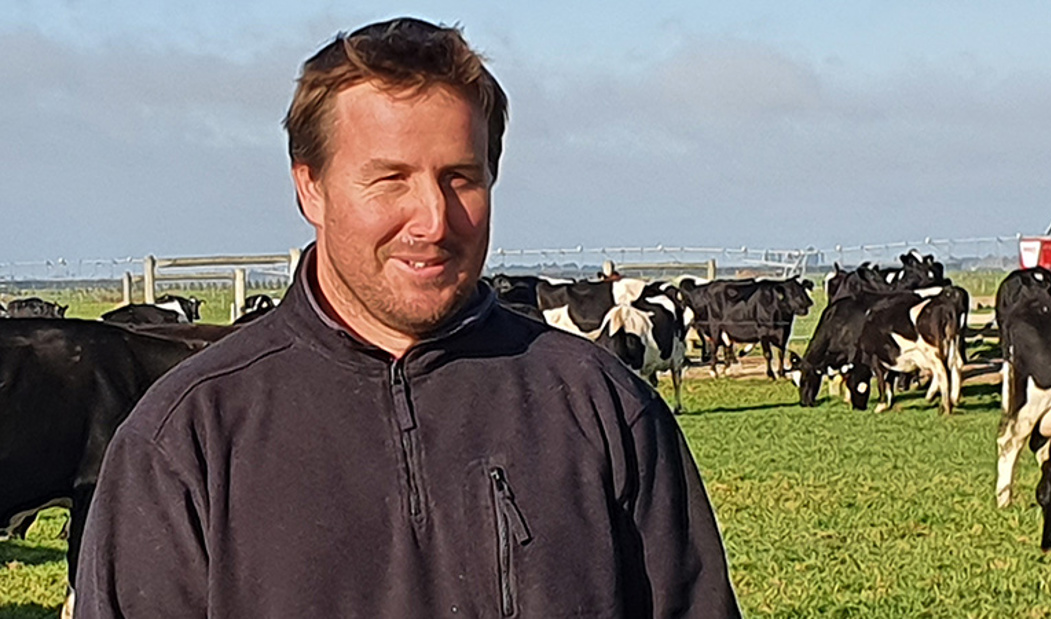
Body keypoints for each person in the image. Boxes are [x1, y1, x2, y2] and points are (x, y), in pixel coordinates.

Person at [76, 17, 740, 618]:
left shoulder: (603, 408)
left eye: (460, 178)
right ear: (310, 185)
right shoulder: (187, 440)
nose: (432, 220)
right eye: (390, 178)